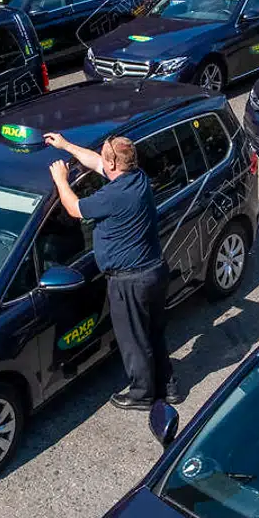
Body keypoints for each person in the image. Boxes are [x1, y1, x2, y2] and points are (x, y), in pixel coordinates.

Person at [44, 131, 174, 409]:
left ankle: (142, 394)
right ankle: (168, 386)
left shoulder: (112, 196)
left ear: (115, 164)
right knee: (153, 333)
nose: (102, 161)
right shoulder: (136, 178)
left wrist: (61, 180)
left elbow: (74, 208)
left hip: (130, 282)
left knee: (133, 340)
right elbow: (96, 162)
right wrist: (67, 145)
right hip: (154, 272)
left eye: (106, 156)